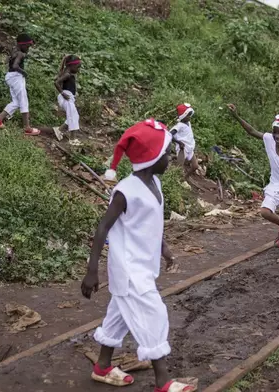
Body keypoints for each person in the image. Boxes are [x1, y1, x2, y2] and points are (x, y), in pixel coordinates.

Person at [81, 118, 198, 392]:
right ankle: (163, 382)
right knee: (154, 313)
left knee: (118, 316)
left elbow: (151, 225)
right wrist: (92, 269)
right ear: (151, 157)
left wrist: (164, 249)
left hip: (143, 265)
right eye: (167, 153)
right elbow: (102, 228)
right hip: (129, 268)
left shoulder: (155, 183)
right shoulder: (126, 191)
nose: (170, 158)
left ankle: (102, 367)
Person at [227, 104, 279, 258]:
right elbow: (251, 131)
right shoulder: (269, 140)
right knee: (264, 212)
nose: (277, 137)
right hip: (276, 185)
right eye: (275, 133)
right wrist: (236, 115)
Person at [0, 34, 40, 135]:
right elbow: (15, 65)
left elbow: (8, 62)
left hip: (10, 76)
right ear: (21, 44)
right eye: (27, 46)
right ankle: (27, 127)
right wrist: (23, 72)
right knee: (24, 101)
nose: (28, 49)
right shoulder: (20, 54)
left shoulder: (14, 51)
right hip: (16, 77)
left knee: (16, 102)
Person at [51, 54, 82, 141]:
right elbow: (56, 83)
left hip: (69, 97)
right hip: (66, 96)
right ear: (71, 65)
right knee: (72, 116)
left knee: (75, 116)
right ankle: (72, 139)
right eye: (77, 67)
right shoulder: (67, 74)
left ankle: (59, 130)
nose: (78, 69)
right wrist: (62, 93)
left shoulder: (68, 73)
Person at [170, 103, 202, 180]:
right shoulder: (179, 125)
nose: (189, 117)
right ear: (183, 116)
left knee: (195, 166)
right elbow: (170, 134)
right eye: (188, 115)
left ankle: (184, 178)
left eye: (190, 115)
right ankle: (174, 180)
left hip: (190, 148)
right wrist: (179, 142)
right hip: (183, 148)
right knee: (179, 167)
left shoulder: (188, 123)